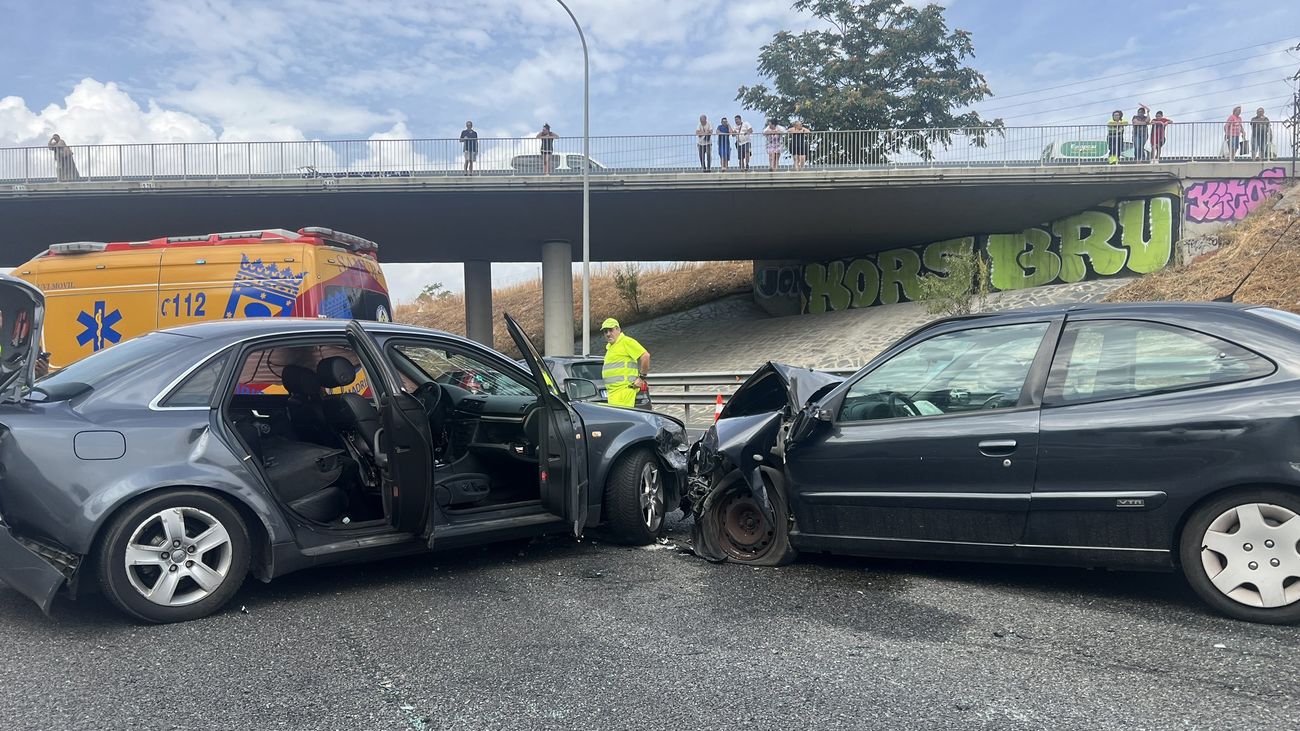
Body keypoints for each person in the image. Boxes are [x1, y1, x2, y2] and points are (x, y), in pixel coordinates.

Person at [599, 318, 649, 409]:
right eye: (605, 332)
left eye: (611, 330)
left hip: (624, 392)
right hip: (614, 394)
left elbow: (645, 356)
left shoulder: (626, 341)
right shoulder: (611, 347)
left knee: (624, 421)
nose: (608, 334)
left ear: (618, 329)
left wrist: (641, 378)